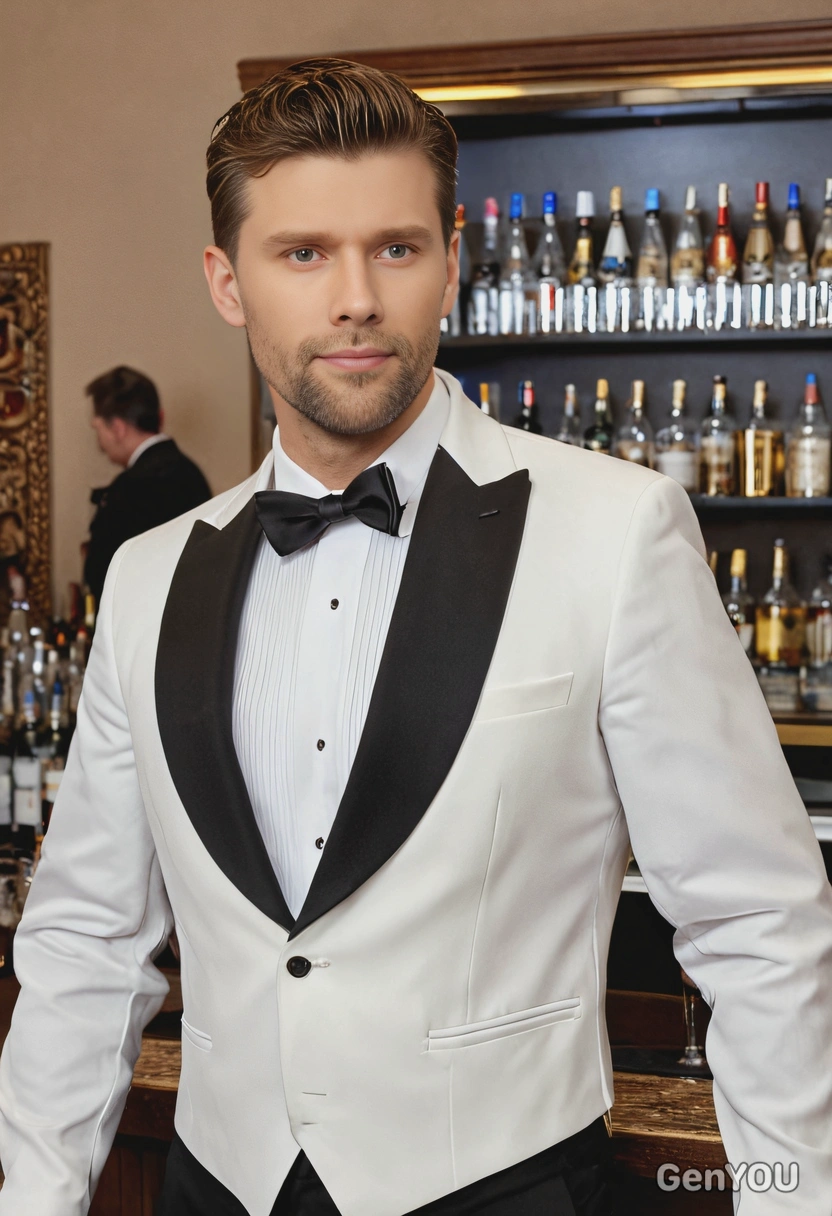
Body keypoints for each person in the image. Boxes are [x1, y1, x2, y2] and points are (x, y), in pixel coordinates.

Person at [0, 59, 831, 1216]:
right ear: (226, 281)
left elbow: (759, 924)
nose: (354, 298)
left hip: (510, 1190)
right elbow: (87, 941)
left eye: (394, 248)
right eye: (302, 254)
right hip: (214, 1189)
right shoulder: (149, 576)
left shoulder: (616, 530)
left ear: (450, 258)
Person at [83, 365, 211, 600]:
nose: (99, 440)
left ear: (118, 429)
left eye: (98, 428)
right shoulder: (191, 474)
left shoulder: (129, 489)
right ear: (159, 417)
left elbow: (103, 576)